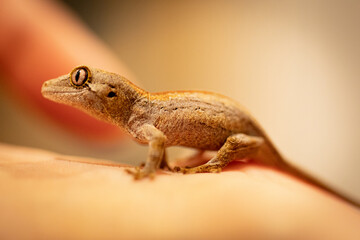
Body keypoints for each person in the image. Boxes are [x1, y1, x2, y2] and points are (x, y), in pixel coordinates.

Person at [0, 1, 359, 239]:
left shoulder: (143, 122)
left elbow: (158, 142)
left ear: (112, 94)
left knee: (233, 146)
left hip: (244, 138)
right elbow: (161, 142)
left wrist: (152, 171)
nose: (73, 86)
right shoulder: (139, 118)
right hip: (235, 131)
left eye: (80, 79)